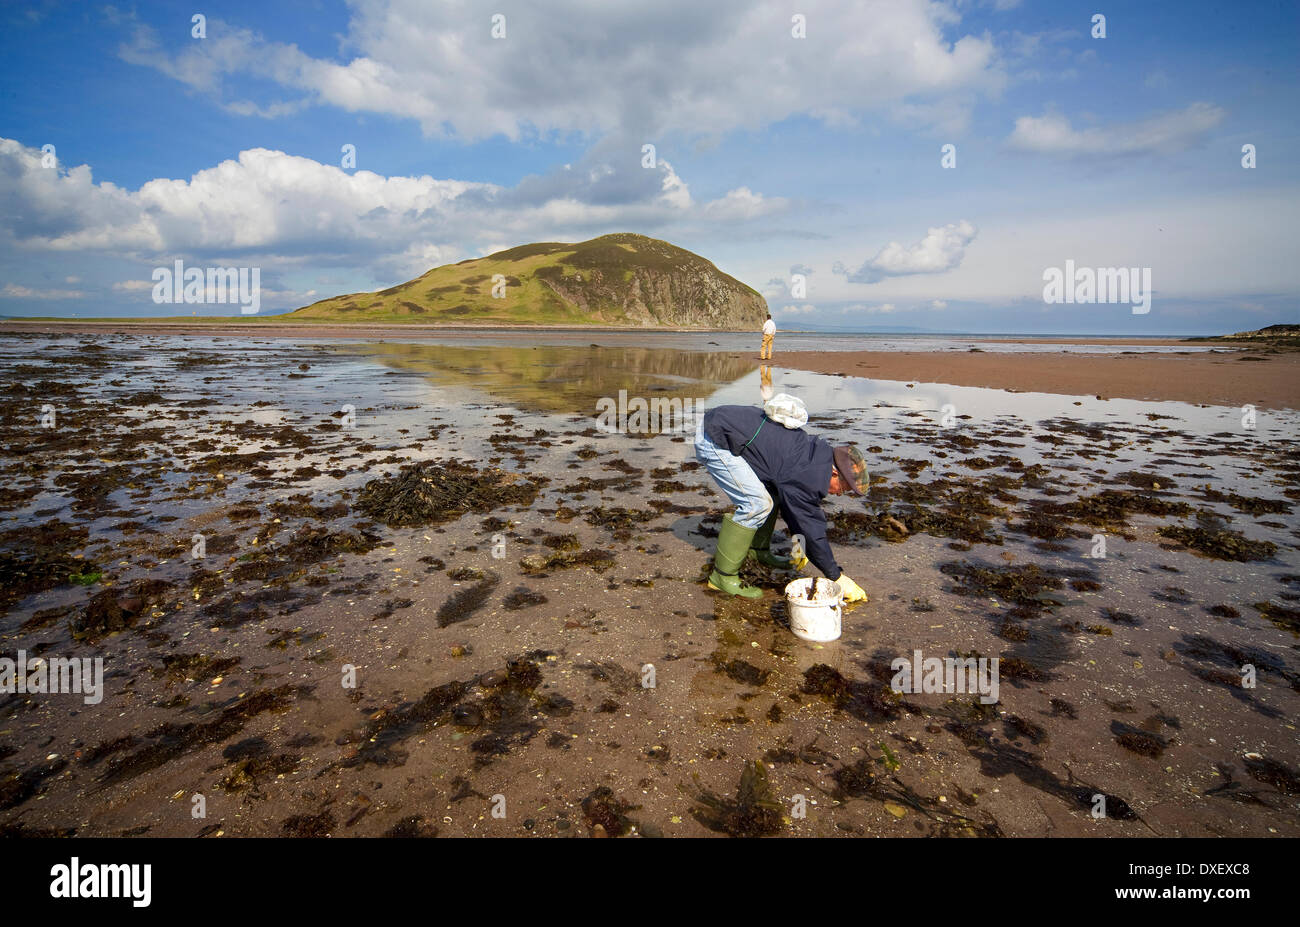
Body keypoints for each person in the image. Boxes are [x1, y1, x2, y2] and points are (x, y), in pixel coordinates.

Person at [695, 403, 869, 602]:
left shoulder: (818, 458)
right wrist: (836, 576)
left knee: (774, 495)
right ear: (835, 472)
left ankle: (757, 551)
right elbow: (809, 525)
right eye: (843, 489)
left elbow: (796, 513)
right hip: (715, 437)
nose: (839, 495)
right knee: (756, 505)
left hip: (727, 424)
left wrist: (802, 544)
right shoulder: (807, 474)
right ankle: (722, 577)